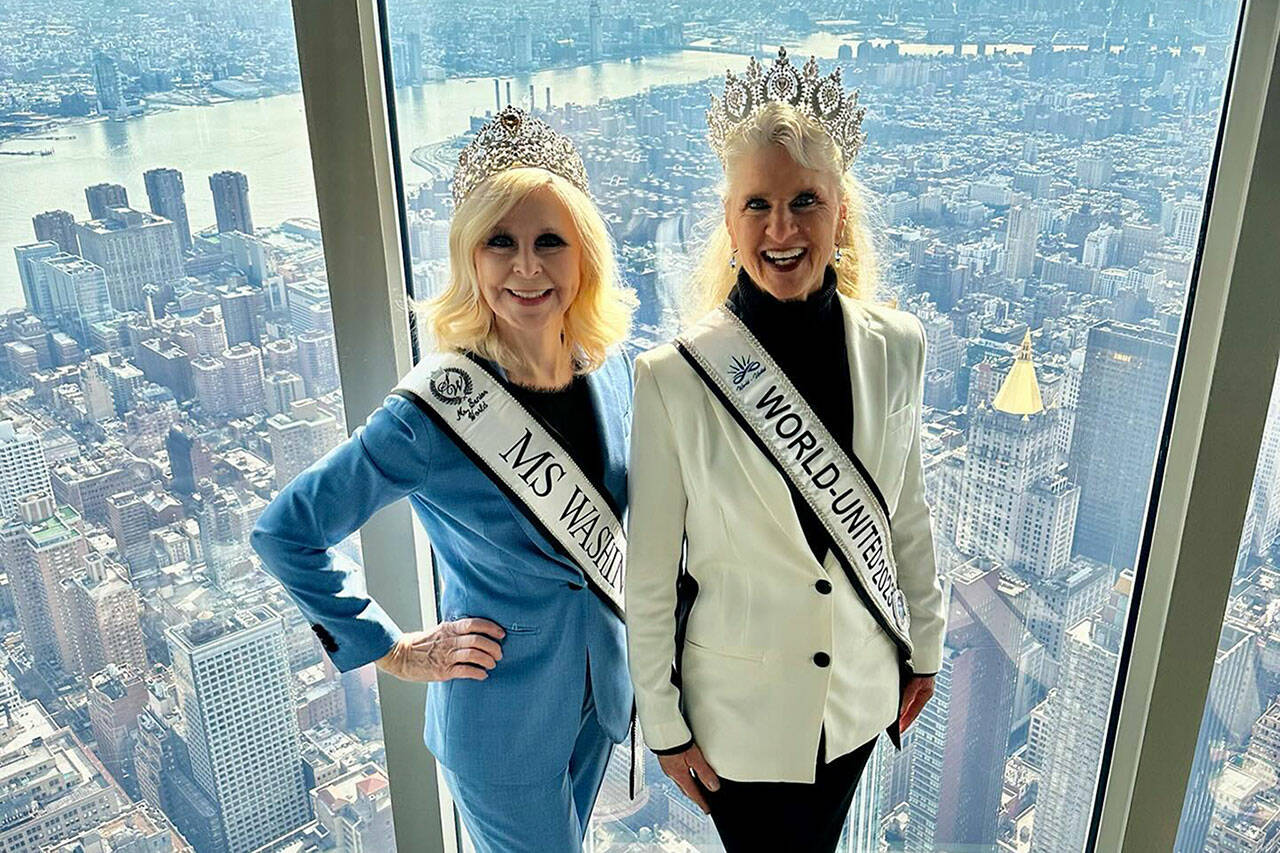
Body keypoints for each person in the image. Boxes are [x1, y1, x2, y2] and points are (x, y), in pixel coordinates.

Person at [251, 105, 637, 852]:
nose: (526, 266)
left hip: (599, 699)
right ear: (470, 258)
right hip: (499, 727)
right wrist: (394, 650)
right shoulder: (433, 410)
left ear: (582, 255)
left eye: (549, 241)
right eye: (501, 242)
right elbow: (284, 531)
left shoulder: (611, 366)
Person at [624, 49, 947, 852]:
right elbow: (651, 574)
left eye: (806, 200)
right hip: (738, 723)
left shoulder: (899, 345)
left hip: (859, 699)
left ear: (841, 212)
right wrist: (663, 724)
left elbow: (905, 512)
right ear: (729, 223)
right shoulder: (672, 379)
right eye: (757, 204)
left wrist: (926, 645)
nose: (782, 228)